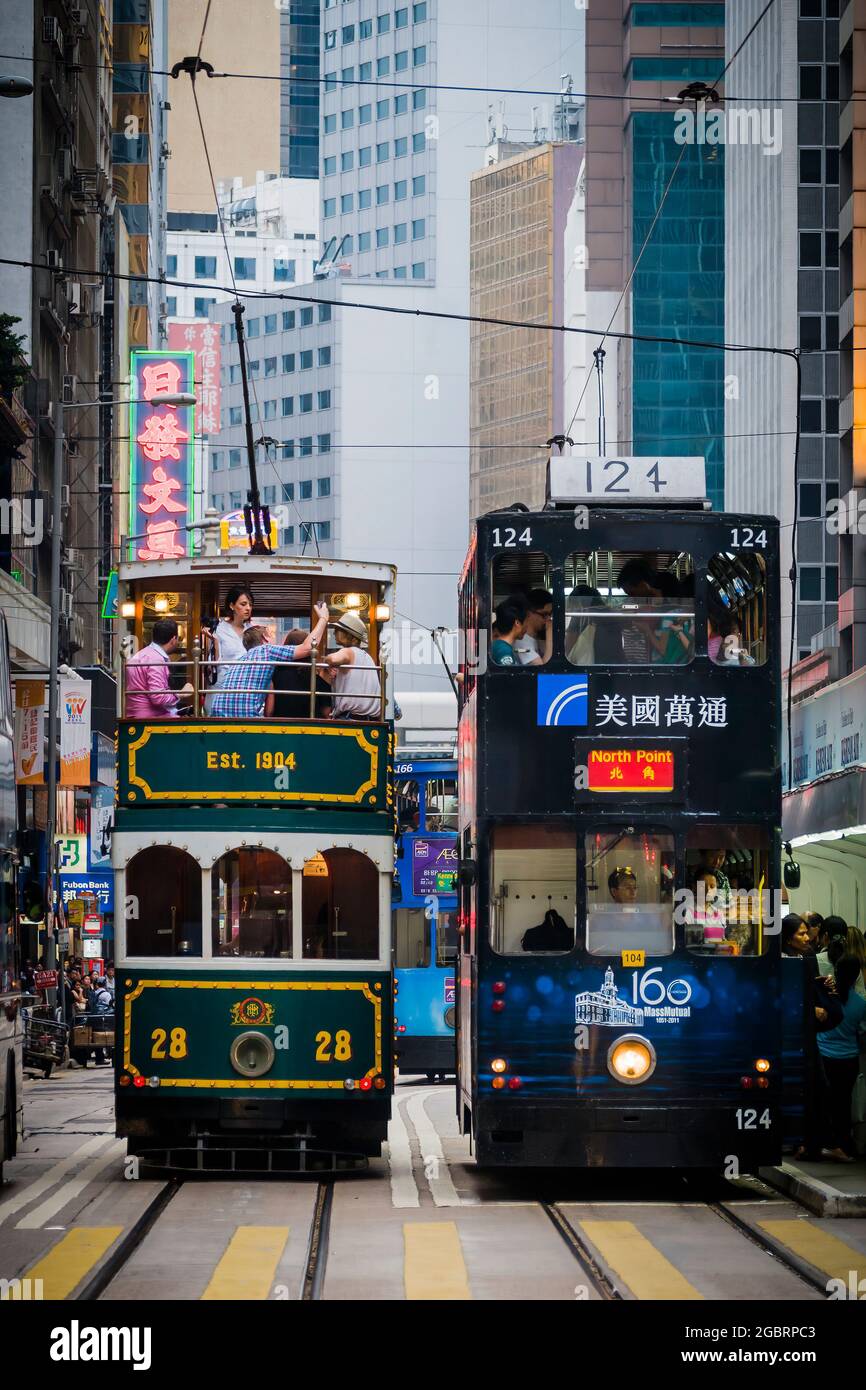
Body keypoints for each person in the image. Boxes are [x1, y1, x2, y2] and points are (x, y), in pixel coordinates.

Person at [212, 604, 329, 719]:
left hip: (217, 717)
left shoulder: (241, 661)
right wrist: (323, 619)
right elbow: (307, 648)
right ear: (264, 639)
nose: (274, 637)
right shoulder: (267, 651)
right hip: (245, 719)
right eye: (270, 633)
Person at [817, 954, 866, 1161]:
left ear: (835, 971)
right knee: (843, 1104)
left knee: (824, 1103)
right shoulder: (861, 1004)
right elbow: (862, 1032)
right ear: (856, 977)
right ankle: (844, 1143)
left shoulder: (826, 996)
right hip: (848, 1059)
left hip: (824, 1055)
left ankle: (825, 1142)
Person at [124, 619, 193, 719]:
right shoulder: (156, 660)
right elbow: (158, 697)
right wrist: (181, 694)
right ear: (173, 639)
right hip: (150, 718)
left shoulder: (142, 654)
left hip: (135, 715)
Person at [320, 610, 382, 719]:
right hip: (371, 720)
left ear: (352, 637)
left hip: (350, 717)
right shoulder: (368, 658)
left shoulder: (348, 651)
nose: (334, 632)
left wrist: (326, 662)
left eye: (339, 630)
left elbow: (333, 659)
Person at [203, 585, 254, 711]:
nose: (248, 608)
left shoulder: (252, 630)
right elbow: (211, 666)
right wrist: (214, 642)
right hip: (222, 688)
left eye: (250, 604)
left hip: (245, 689)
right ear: (232, 606)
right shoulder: (219, 629)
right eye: (243, 604)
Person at [268, 628, 331, 718]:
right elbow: (326, 713)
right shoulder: (318, 681)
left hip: (280, 725)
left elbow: (269, 711)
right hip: (312, 727)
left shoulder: (274, 675)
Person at [566, 585, 622, 664]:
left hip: (590, 662)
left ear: (580, 601)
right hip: (615, 662)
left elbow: (570, 639)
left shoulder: (581, 614)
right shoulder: (612, 613)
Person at [514, 588, 553, 666]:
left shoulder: (535, 639)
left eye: (550, 614)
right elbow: (544, 670)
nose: (548, 619)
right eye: (544, 614)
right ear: (529, 614)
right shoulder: (521, 644)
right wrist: (550, 633)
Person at [489, 597, 527, 667]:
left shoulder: (498, 646)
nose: (527, 627)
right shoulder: (504, 651)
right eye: (526, 622)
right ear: (517, 623)